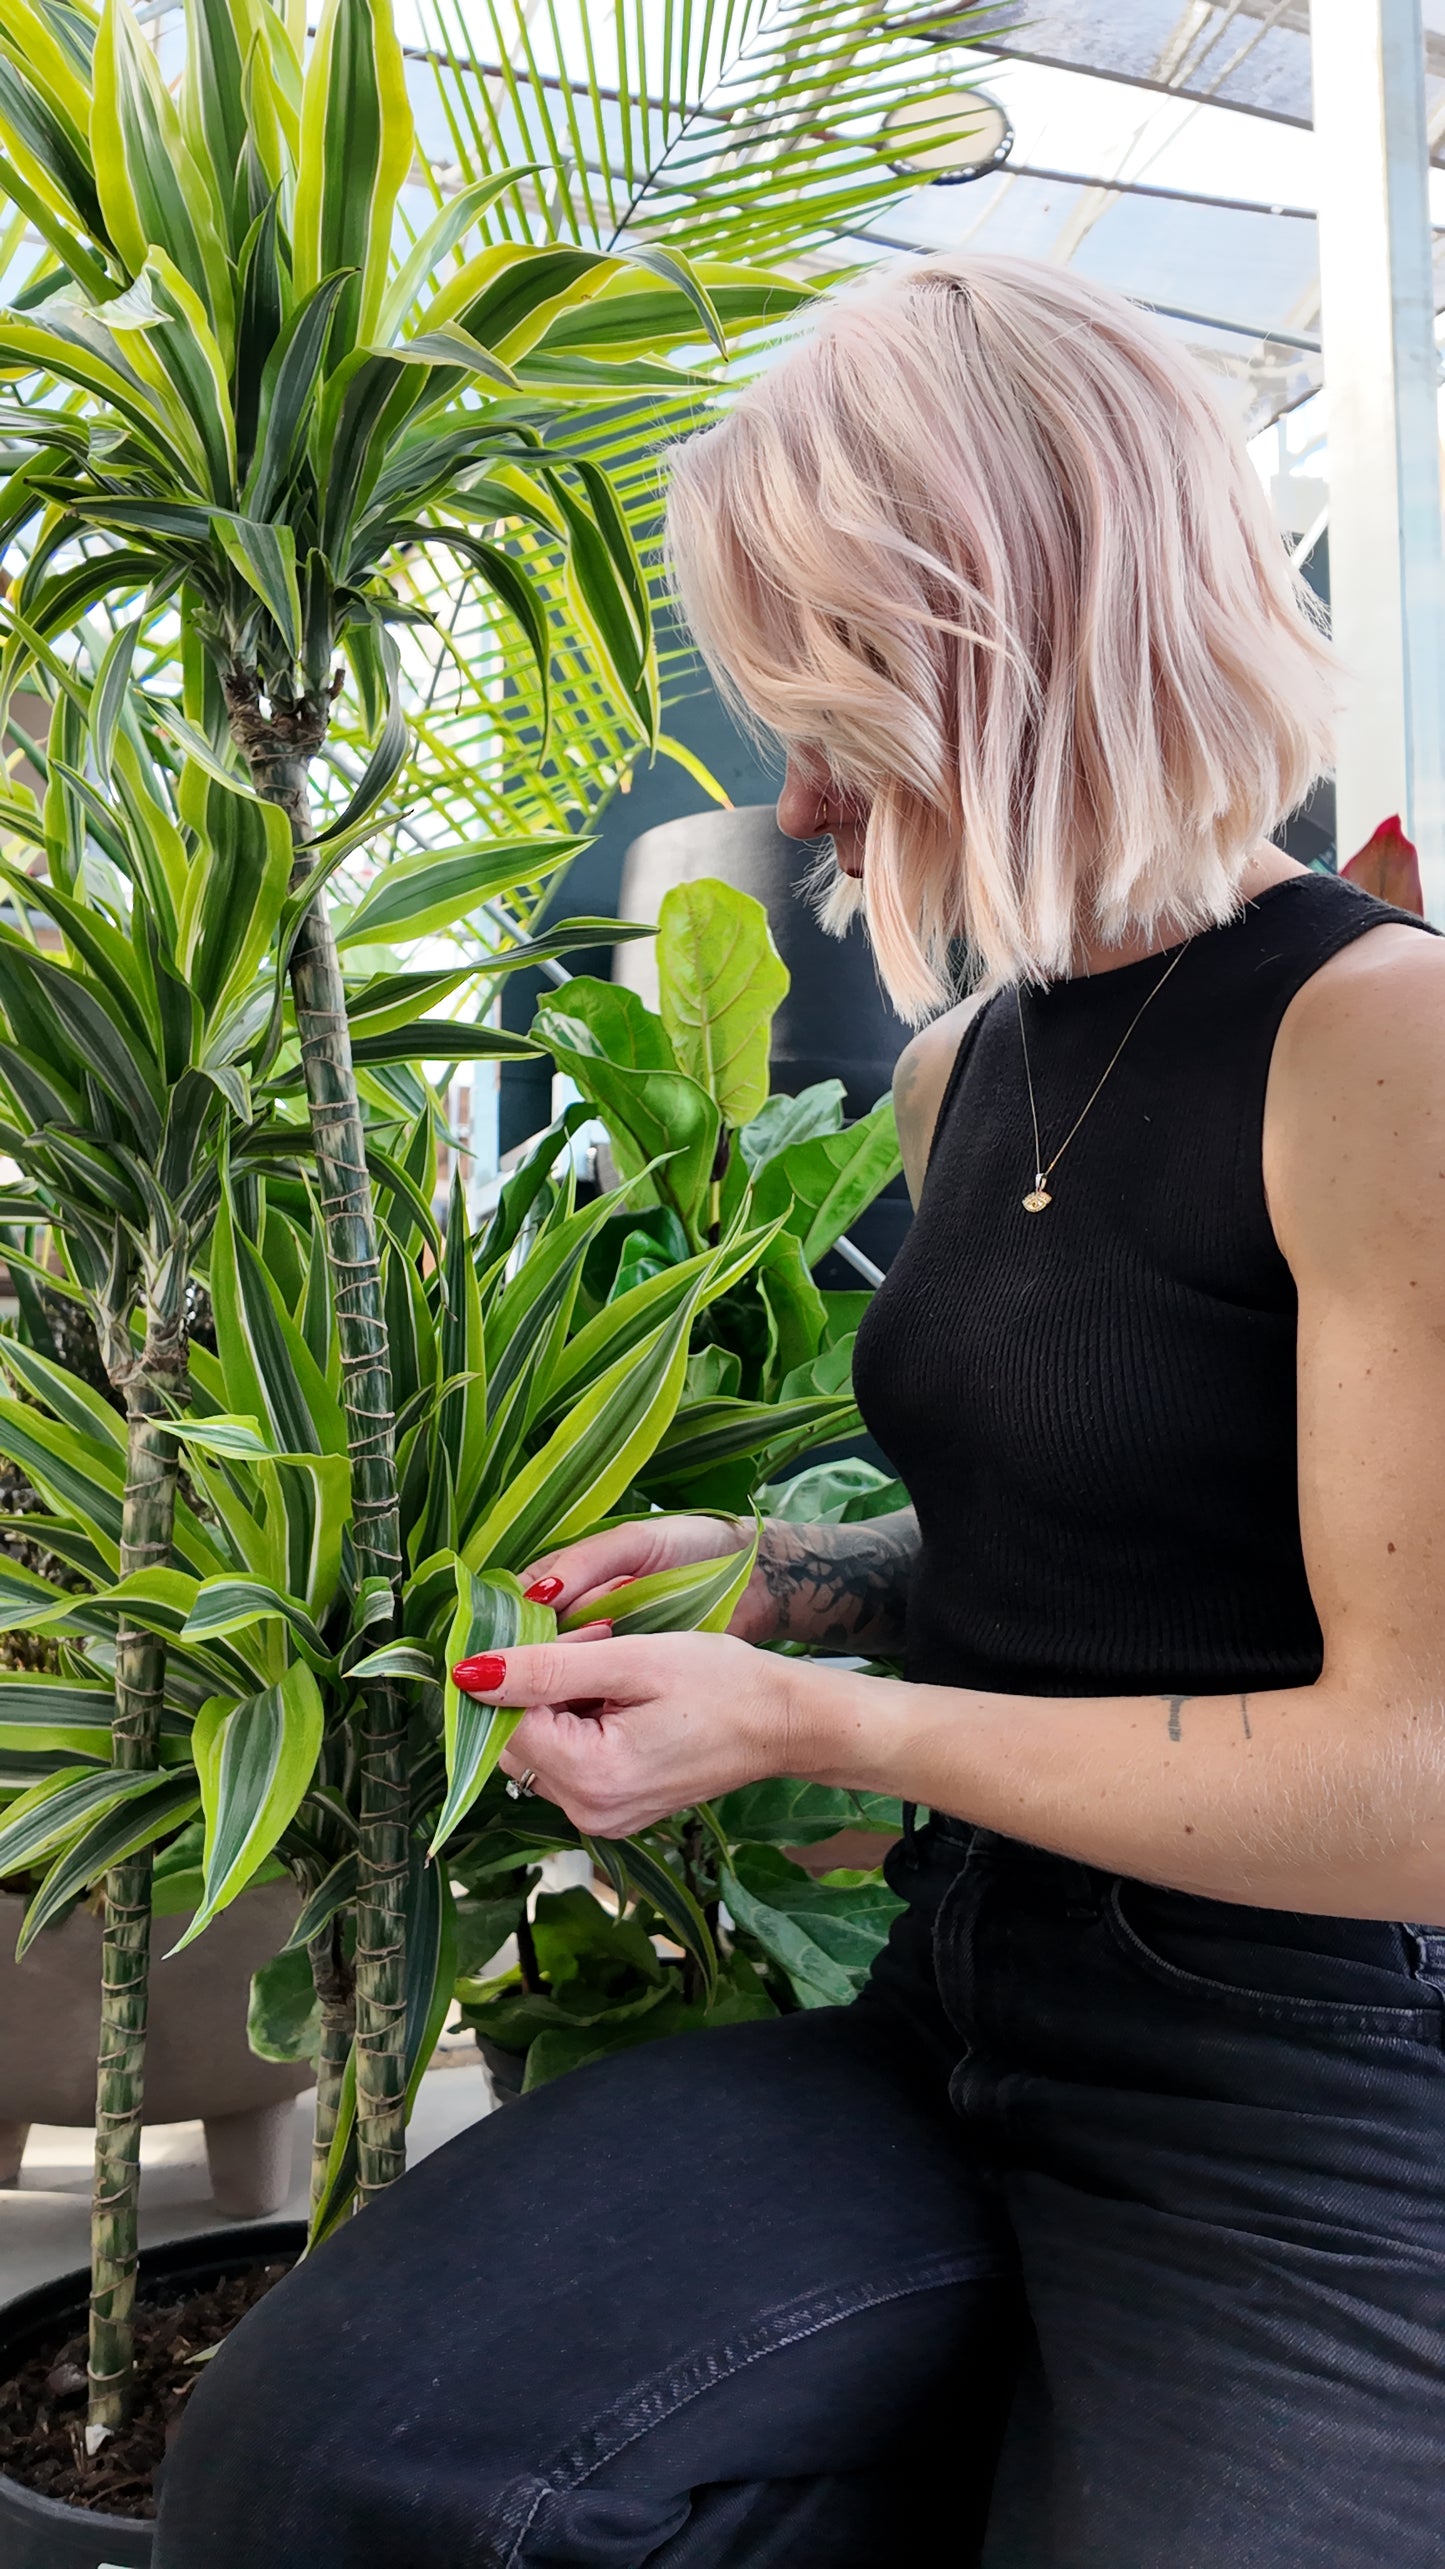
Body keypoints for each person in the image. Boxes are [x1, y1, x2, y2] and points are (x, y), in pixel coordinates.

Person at [158, 254, 1445, 2568]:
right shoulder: (966, 1069)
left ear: (1023, 660)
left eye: (836, 711)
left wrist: (818, 1722)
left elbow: (1417, 1780)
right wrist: (789, 1578)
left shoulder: (1385, 1048)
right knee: (325, 2454)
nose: (802, 798)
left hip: (1320, 2078)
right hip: (974, 1998)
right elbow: (1127, 1555)